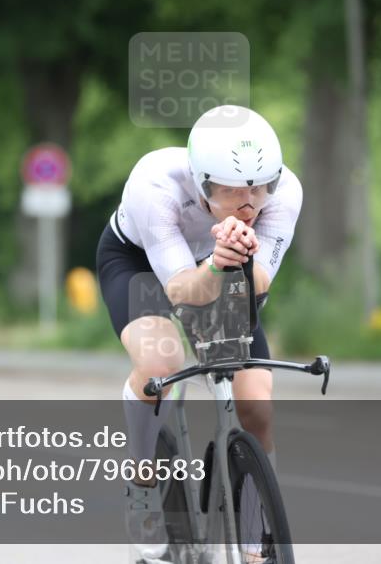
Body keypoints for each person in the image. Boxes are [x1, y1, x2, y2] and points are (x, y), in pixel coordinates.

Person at [96, 105, 302, 563]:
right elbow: (181, 291)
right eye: (231, 191)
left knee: (256, 401)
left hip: (221, 266)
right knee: (161, 363)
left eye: (258, 189)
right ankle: (143, 482)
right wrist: (215, 263)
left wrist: (237, 260)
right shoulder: (155, 185)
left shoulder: (285, 191)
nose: (248, 205)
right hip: (141, 265)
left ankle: (256, 531)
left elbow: (258, 283)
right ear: (201, 181)